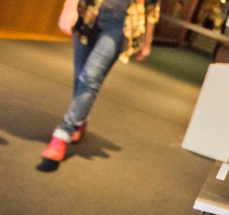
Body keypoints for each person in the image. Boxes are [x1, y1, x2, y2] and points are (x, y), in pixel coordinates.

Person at [41, 0, 160, 165]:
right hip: (89, 11)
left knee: (90, 77)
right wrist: (69, 7)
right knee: (80, 76)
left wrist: (147, 40)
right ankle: (79, 121)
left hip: (121, 22)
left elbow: (153, 6)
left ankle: (63, 134)